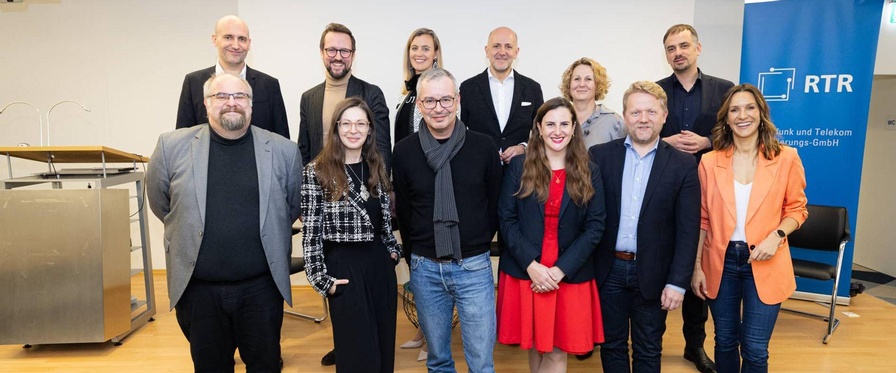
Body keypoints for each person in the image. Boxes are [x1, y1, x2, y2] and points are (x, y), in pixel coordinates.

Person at [147, 73, 302, 372]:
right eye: (221, 96)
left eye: (240, 96)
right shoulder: (171, 147)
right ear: (206, 103)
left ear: (252, 105)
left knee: (266, 365)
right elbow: (163, 205)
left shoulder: (284, 151)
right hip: (200, 292)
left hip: (261, 290)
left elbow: (290, 206)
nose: (232, 103)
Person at [691, 83, 808, 373]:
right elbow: (702, 218)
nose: (742, 115)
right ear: (727, 119)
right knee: (725, 341)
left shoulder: (786, 157)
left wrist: (777, 236)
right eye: (734, 109)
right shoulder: (709, 161)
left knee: (755, 349)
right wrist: (696, 266)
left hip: (766, 260)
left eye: (749, 107)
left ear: (761, 113)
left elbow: (797, 208)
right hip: (720, 262)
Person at [393, 68, 503, 373]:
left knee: (481, 363)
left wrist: (475, 239)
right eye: (429, 101)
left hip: (474, 266)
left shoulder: (483, 147)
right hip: (425, 267)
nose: (438, 108)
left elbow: (494, 203)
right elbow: (404, 208)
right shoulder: (404, 152)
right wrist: (417, 256)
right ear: (419, 105)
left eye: (445, 100)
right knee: (438, 360)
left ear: (457, 100)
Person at [589, 81, 701, 373]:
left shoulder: (683, 165)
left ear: (664, 115)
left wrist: (678, 282)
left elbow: (688, 231)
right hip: (608, 270)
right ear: (624, 116)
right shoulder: (599, 157)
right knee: (611, 345)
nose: (643, 118)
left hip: (654, 274)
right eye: (636, 112)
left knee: (649, 349)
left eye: (651, 111)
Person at [496, 97, 606, 372]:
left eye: (564, 124)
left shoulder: (589, 171)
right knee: (534, 346)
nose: (557, 131)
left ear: (573, 129)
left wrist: (560, 271)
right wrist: (531, 265)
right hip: (527, 271)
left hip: (568, 273)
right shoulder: (518, 167)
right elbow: (506, 219)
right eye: (550, 124)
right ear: (539, 128)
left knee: (556, 352)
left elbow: (595, 227)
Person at [302, 97, 401, 373]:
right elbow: (311, 233)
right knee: (357, 355)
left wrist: (393, 251)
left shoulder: (376, 166)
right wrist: (322, 280)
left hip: (379, 268)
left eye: (360, 123)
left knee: (382, 351)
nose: (353, 130)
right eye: (346, 123)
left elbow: (384, 222)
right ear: (336, 128)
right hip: (344, 270)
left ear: (370, 129)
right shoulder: (317, 171)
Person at [657, 23, 734, 373]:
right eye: (671, 48)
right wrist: (666, 143)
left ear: (698, 48)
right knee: (660, 264)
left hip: (709, 190)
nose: (678, 53)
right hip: (664, 190)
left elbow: (737, 133)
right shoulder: (656, 91)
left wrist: (707, 142)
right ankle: (650, 342)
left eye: (684, 45)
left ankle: (694, 346)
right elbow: (643, 132)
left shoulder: (724, 89)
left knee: (697, 269)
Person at [176, 15, 289, 139]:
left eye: (242, 39)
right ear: (214, 40)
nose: (236, 45)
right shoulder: (194, 82)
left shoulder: (269, 85)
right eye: (228, 37)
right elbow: (183, 139)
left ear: (249, 43)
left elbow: (281, 140)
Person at [299, 23, 392, 172]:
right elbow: (304, 151)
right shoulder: (308, 98)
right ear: (321, 52)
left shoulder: (372, 94)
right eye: (331, 50)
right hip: (321, 184)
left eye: (344, 51)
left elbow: (382, 148)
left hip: (363, 184)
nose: (338, 57)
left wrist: (381, 188)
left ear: (353, 55)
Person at [460, 26, 544, 164]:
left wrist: (524, 148)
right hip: (479, 168)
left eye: (508, 47)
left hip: (521, 170)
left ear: (516, 52)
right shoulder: (468, 88)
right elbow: (459, 130)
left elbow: (542, 130)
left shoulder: (532, 88)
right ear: (487, 51)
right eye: (496, 46)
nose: (502, 52)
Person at [560, 57, 625, 148]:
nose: (582, 84)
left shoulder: (613, 122)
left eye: (588, 79)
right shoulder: (558, 118)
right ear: (568, 84)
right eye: (577, 79)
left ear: (598, 85)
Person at [394, 27, 444, 144]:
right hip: (403, 159)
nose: (419, 54)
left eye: (425, 49)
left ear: (435, 54)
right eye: (414, 48)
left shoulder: (443, 89)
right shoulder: (406, 91)